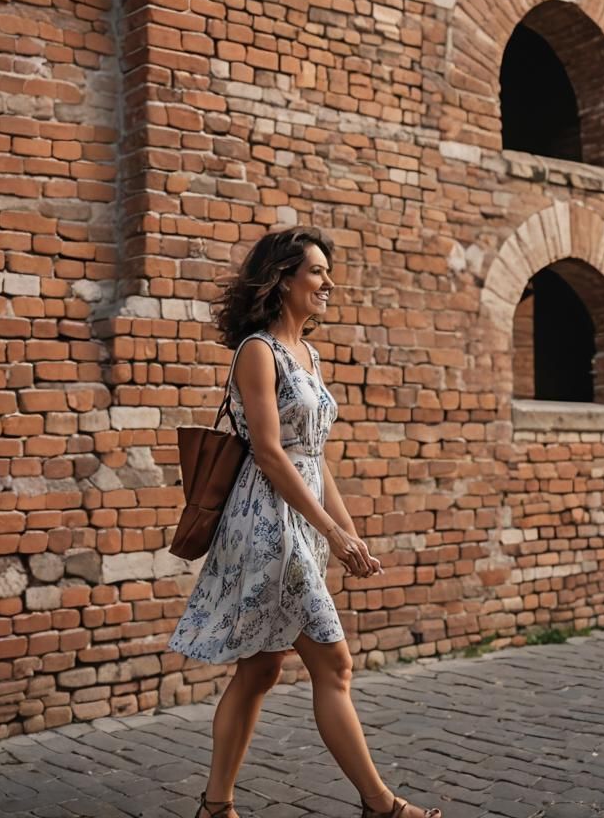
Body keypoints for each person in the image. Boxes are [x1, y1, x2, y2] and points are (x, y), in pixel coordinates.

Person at [168, 227, 442, 818]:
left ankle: (215, 808)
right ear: (282, 278)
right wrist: (332, 533)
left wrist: (344, 529)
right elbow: (269, 452)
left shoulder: (309, 355)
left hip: (302, 521)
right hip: (264, 523)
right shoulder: (257, 351)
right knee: (334, 664)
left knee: (262, 668)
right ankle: (381, 806)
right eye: (316, 271)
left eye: (326, 271)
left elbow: (314, 457)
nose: (327, 282)